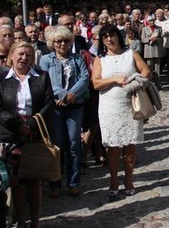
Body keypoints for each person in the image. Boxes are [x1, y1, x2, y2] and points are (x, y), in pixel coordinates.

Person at [0, 41, 54, 228]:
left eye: (28, 55)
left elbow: (49, 104)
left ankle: (36, 223)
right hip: (10, 134)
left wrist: (32, 124)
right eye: (20, 54)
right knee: (16, 182)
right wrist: (17, 125)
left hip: (34, 134)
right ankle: (20, 223)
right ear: (10, 56)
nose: (24, 58)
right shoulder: (0, 78)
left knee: (35, 180)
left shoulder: (41, 77)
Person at [92, 24, 153, 201]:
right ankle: (113, 180)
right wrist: (114, 80)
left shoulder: (130, 54)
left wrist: (135, 81)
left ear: (118, 36)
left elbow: (147, 72)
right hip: (109, 106)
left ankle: (128, 179)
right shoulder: (100, 59)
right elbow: (95, 83)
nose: (109, 39)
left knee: (130, 143)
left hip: (130, 104)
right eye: (105, 37)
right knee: (112, 145)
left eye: (112, 35)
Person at [39, 25, 90, 198]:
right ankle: (55, 183)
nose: (62, 44)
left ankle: (73, 182)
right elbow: (45, 81)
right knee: (57, 145)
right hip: (55, 108)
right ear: (52, 43)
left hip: (74, 106)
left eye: (66, 41)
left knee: (74, 144)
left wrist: (71, 94)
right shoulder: (46, 60)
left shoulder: (78, 59)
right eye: (58, 41)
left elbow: (84, 78)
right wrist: (62, 94)